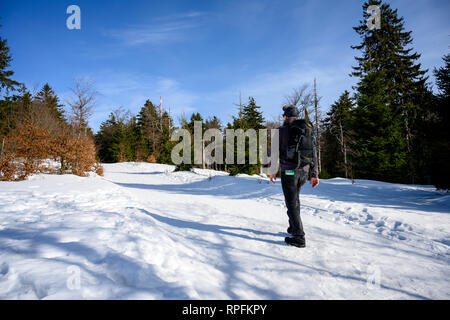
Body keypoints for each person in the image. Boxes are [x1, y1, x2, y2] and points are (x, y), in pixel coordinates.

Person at [269, 105, 319, 248]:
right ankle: (293, 227)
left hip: (289, 172)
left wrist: (272, 171)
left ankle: (299, 237)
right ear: (296, 116)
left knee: (291, 203)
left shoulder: (281, 131)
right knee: (295, 200)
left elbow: (274, 153)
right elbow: (314, 152)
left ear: (285, 116)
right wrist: (314, 174)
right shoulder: (307, 129)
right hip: (304, 171)